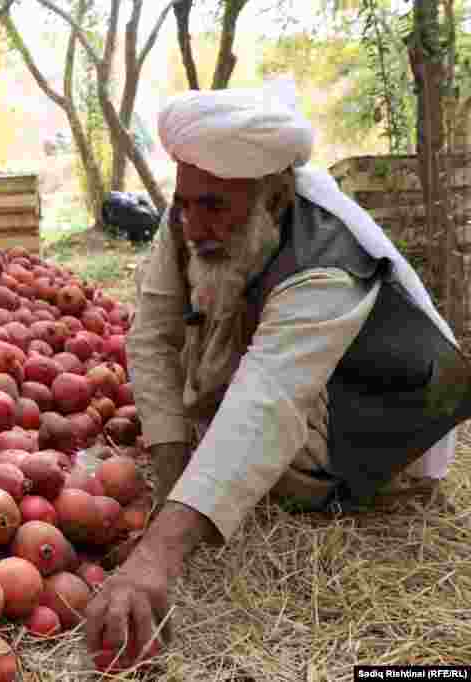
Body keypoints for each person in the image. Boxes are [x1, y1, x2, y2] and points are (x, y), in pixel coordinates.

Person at [83, 79, 471, 666]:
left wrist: (158, 555)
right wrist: (169, 473)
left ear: (274, 197)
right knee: (201, 396)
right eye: (185, 202)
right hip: (291, 386)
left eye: (214, 205)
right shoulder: (191, 216)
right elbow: (153, 334)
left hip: (376, 420)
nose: (193, 223)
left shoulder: (329, 260)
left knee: (245, 431)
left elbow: (267, 405)